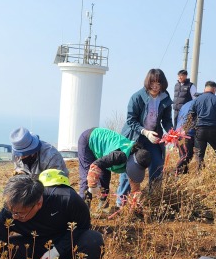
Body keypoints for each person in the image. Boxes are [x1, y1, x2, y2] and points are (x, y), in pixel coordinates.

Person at [116, 68, 174, 206]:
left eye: (159, 84)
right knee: (129, 168)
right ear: (148, 82)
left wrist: (171, 131)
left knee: (157, 164)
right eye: (153, 83)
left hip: (153, 137)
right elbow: (131, 120)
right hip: (135, 136)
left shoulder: (165, 97)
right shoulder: (137, 97)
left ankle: (152, 199)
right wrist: (145, 132)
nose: (155, 86)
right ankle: (121, 201)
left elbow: (166, 119)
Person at [77, 127, 151, 210]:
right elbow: (95, 165)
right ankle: (83, 211)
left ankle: (102, 207)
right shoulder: (119, 156)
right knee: (86, 180)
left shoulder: (137, 156)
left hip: (105, 151)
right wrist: (92, 185)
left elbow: (134, 181)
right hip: (89, 140)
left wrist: (135, 200)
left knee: (105, 178)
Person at [189, 81, 216, 170]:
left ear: (205, 89)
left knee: (199, 155)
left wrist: (192, 127)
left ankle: (199, 175)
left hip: (200, 130)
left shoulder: (196, 100)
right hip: (214, 130)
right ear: (214, 89)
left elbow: (190, 115)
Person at [174, 99, 197, 175]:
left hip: (178, 134)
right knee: (187, 156)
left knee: (183, 156)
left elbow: (177, 118)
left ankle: (182, 176)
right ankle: (175, 172)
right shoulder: (198, 104)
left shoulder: (185, 105)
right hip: (187, 134)